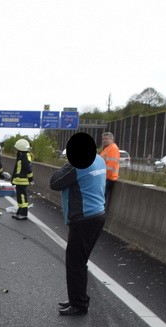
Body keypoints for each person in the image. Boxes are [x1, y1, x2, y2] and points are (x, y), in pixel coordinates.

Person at [50, 132, 107, 316]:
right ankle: (77, 297)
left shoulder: (76, 166)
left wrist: (68, 163)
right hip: (97, 214)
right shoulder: (99, 160)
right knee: (79, 262)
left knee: (75, 263)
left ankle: (79, 304)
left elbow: (55, 182)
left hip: (83, 219)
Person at [10, 138, 35, 220]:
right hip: (19, 180)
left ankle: (24, 214)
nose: (16, 150)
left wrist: (31, 179)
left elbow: (28, 169)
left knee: (22, 197)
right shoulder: (21, 155)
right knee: (20, 197)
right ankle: (20, 212)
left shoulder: (25, 156)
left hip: (22, 180)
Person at [100, 131, 120, 210]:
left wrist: (103, 177)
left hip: (108, 178)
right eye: (103, 139)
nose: (104, 140)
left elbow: (110, 166)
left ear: (112, 139)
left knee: (101, 199)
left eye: (106, 139)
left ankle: (100, 215)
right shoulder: (107, 149)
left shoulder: (113, 148)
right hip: (105, 178)